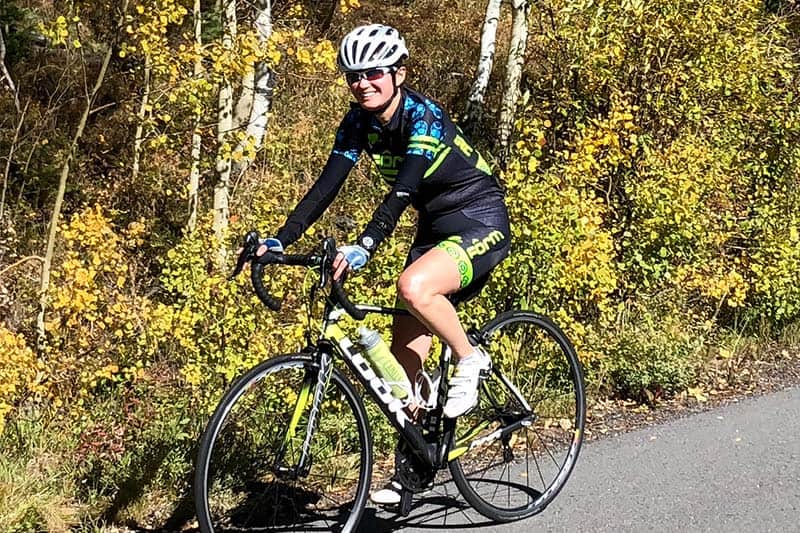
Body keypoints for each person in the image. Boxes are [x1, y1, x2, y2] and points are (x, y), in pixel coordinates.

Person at [257, 23, 511, 504]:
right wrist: (281, 238)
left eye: (374, 72)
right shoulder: (357, 123)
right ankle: (413, 470)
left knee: (414, 288)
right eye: (353, 75)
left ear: (399, 73)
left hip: (479, 217)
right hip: (433, 228)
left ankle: (469, 357)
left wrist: (366, 245)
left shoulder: (423, 118)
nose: (363, 83)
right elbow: (324, 188)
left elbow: (402, 191)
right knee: (403, 368)